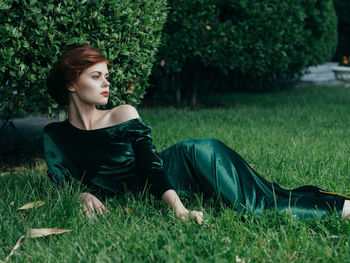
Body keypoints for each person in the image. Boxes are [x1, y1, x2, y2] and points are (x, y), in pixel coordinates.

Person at [43, 45, 350, 225]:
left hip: (189, 160)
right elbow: (61, 182)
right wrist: (81, 194)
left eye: (106, 76)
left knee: (253, 205)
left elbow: (152, 167)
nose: (105, 83)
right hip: (153, 185)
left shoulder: (122, 113)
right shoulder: (55, 135)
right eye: (95, 77)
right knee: (263, 196)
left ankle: (342, 209)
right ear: (71, 84)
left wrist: (179, 209)